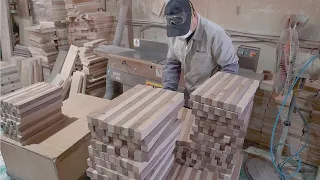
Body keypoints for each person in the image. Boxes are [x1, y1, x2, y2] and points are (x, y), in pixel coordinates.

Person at [163, 0, 239, 106]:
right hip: (189, 95)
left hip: (210, 100)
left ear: (193, 15)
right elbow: (172, 64)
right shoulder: (174, 34)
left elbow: (230, 69)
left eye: (184, 29)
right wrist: (168, 92)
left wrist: (215, 99)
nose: (180, 35)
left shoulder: (216, 35)